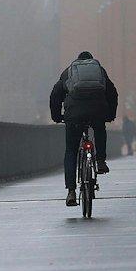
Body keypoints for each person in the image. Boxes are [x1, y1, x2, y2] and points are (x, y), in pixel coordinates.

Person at [50, 51, 117, 206]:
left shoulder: (68, 72)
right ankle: (100, 160)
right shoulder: (100, 71)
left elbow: (55, 95)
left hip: (73, 114)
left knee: (71, 151)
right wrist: (109, 115)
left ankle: (71, 191)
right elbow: (112, 93)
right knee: (99, 129)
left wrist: (57, 116)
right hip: (97, 111)